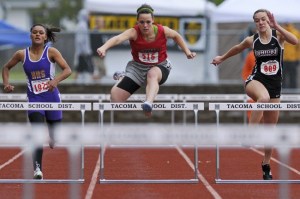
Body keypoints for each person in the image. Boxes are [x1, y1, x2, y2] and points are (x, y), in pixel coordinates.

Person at [211, 9, 298, 180]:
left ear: (268, 20)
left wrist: (278, 26)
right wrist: (222, 57)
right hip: (256, 81)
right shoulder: (252, 40)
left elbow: (295, 41)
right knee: (262, 98)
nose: (260, 23)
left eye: (263, 19)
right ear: (254, 23)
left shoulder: (277, 37)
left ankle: (266, 163)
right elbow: (237, 48)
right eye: (257, 20)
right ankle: (249, 134)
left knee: (270, 131)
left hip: (275, 86)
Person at [96, 4, 196, 117]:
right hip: (137, 68)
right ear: (137, 22)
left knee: (152, 73)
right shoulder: (133, 32)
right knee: (116, 100)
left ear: (153, 20)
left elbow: (176, 36)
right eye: (142, 22)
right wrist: (104, 47)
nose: (145, 26)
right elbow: (118, 38)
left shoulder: (163, 31)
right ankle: (123, 77)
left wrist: (187, 52)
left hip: (160, 66)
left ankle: (148, 103)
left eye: (148, 22)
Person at [2, 24, 72, 179]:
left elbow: (67, 69)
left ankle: (53, 138)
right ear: (30, 36)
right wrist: (6, 84)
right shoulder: (21, 54)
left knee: (55, 134)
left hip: (52, 97)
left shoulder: (51, 52)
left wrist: (55, 80)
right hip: (34, 99)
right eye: (35, 32)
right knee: (37, 133)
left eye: (41, 33)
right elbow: (6, 68)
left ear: (45, 36)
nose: (38, 35)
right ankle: (37, 169)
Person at [74, 9, 94, 83]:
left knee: (82, 69)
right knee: (85, 70)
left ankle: (83, 83)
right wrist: (85, 51)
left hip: (83, 52)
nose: (89, 17)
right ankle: (84, 84)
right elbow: (80, 40)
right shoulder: (82, 25)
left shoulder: (82, 24)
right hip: (84, 52)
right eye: (88, 15)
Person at [282, 23, 300, 89]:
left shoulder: (296, 33)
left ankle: (293, 94)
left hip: (292, 59)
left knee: (292, 77)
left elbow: (298, 48)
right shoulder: (280, 32)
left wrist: (298, 58)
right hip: (284, 59)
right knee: (282, 78)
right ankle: (282, 94)